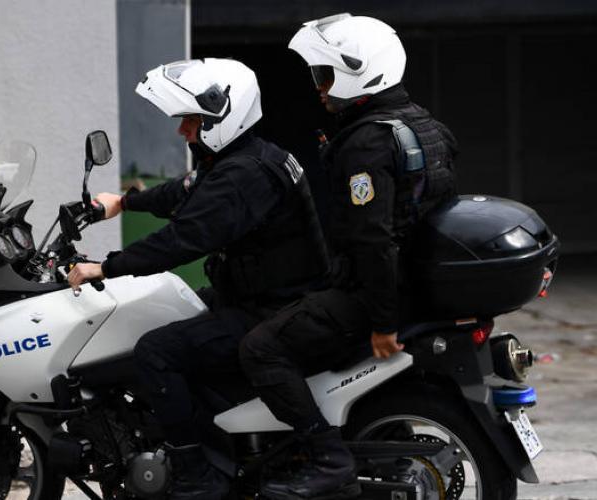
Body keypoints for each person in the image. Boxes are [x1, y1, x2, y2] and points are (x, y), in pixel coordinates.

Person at [67, 58, 330, 499]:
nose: (182, 130)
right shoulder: (244, 158)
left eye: (190, 120)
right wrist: (123, 203)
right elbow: (185, 190)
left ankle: (195, 475)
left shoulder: (243, 175)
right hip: (262, 297)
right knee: (170, 316)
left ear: (219, 118)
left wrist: (106, 267)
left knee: (155, 352)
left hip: (271, 310)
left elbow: (183, 239)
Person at [238, 13, 459, 500]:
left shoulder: (365, 143)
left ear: (361, 73)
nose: (319, 88)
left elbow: (373, 240)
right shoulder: (427, 125)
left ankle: (326, 457)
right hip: (417, 285)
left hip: (376, 293)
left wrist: (382, 322)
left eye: (326, 76)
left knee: (259, 347)